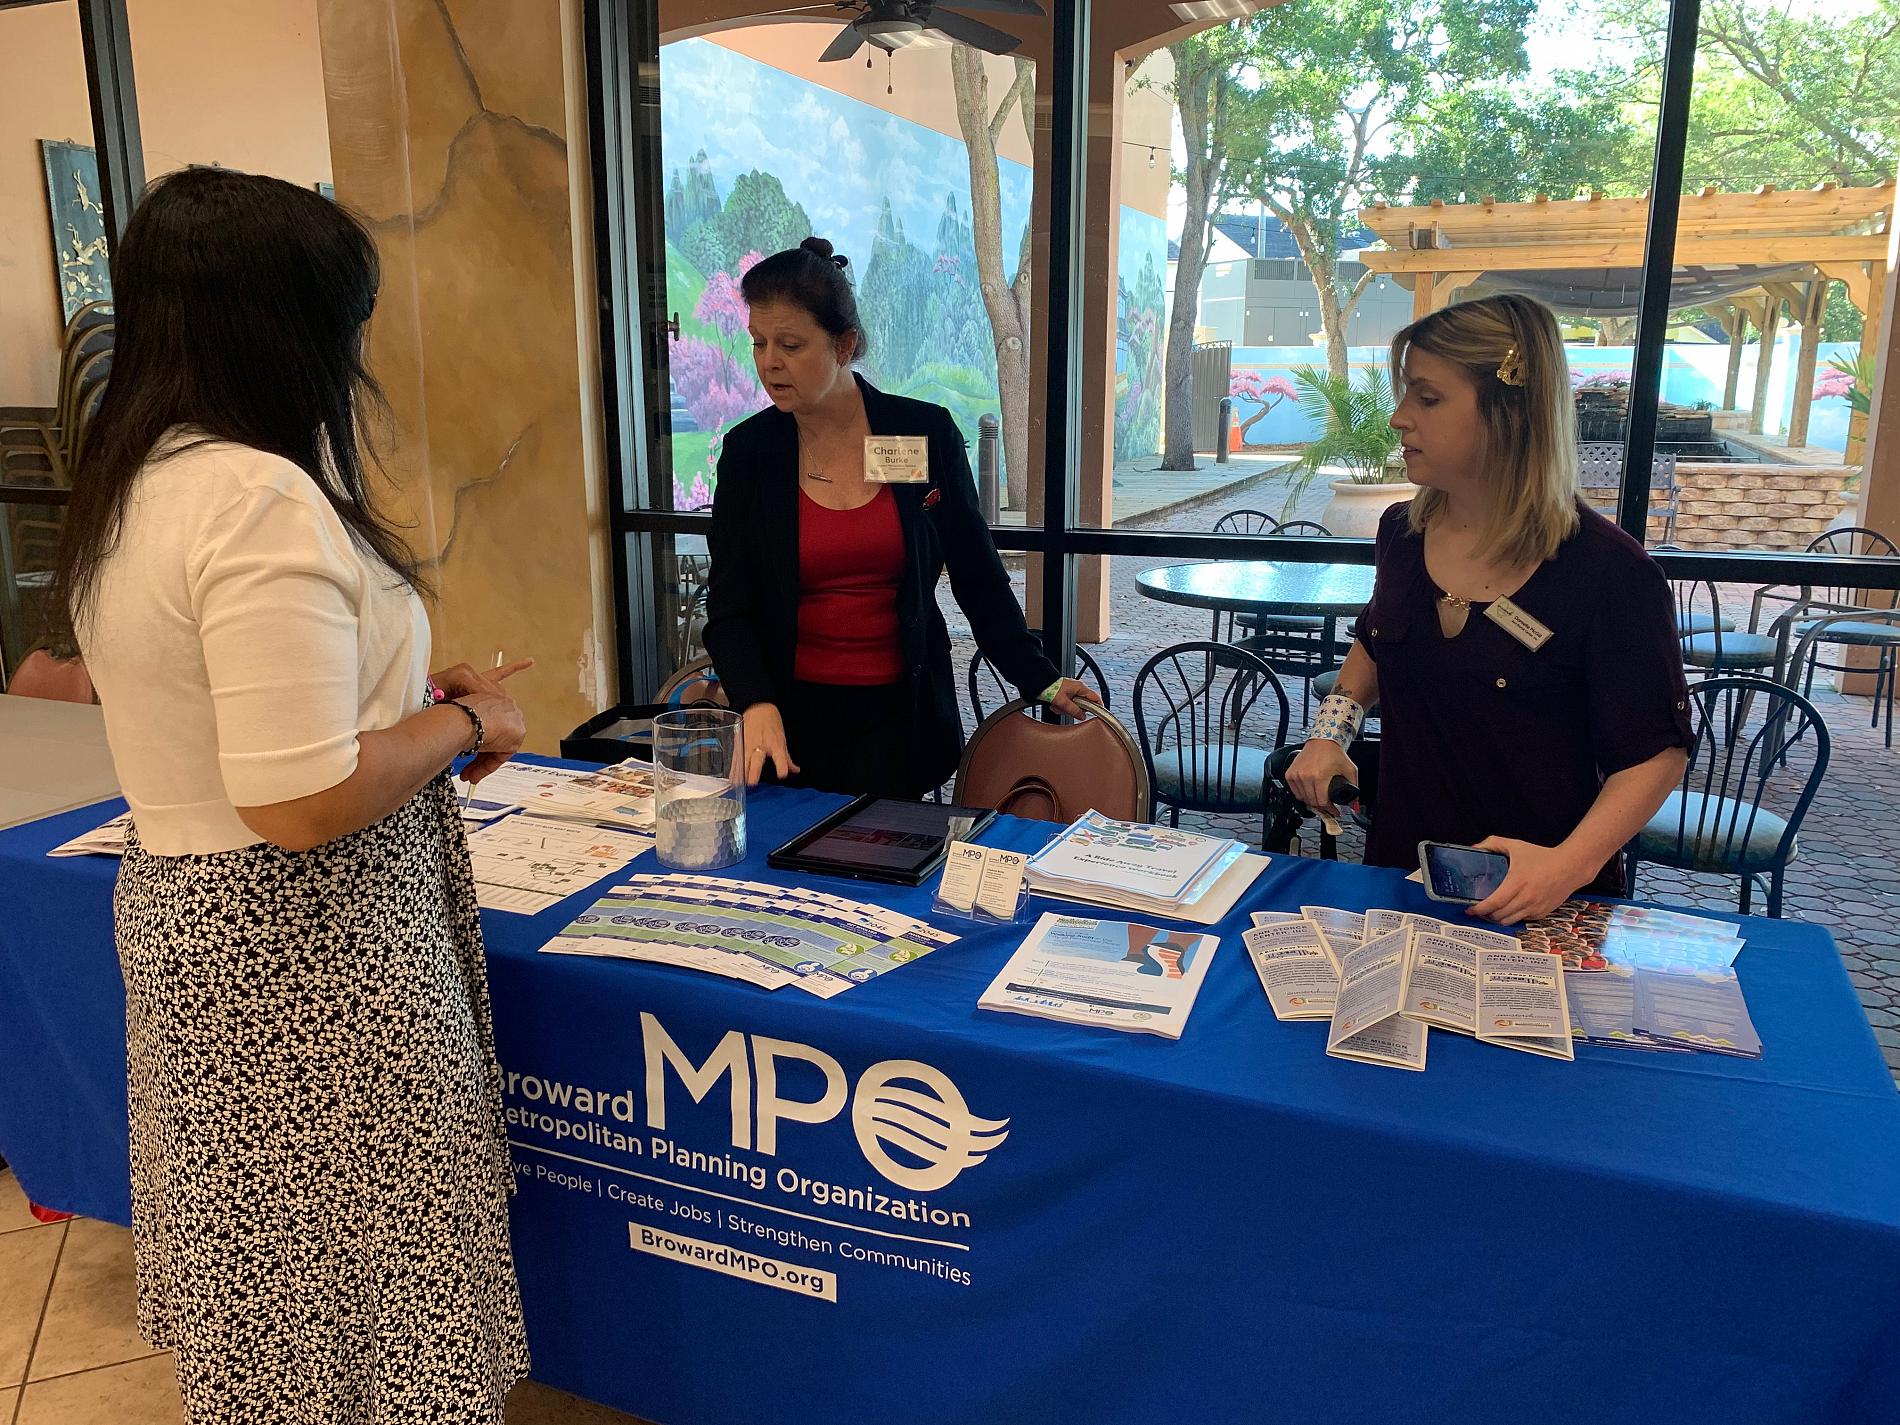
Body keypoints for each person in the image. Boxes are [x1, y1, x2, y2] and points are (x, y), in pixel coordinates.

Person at [55, 168, 531, 1422]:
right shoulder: (258, 496)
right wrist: (469, 721)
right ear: (287, 328)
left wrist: (407, 698)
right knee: (369, 1298)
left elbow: (229, 711)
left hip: (204, 931)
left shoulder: (138, 480)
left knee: (282, 1306)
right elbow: (300, 798)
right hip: (307, 955)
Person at [1287, 294, 1691, 924]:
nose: (1398, 419)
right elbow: (1378, 637)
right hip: (1401, 876)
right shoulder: (1402, 533)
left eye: (1427, 398)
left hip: (1538, 897)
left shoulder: (1609, 573)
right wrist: (1329, 735)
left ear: (1510, 412)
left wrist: (1569, 866)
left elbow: (1655, 753)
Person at [704, 237, 1096, 798]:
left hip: (901, 717)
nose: (769, 362)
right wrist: (754, 700)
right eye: (759, 343)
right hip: (788, 722)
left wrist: (1037, 675)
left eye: (790, 344)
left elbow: (976, 573)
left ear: (845, 345)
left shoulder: (922, 434)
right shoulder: (750, 453)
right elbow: (730, 604)